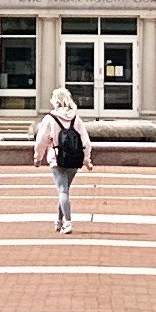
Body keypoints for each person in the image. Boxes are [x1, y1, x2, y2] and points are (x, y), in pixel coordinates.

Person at [32, 86, 95, 233]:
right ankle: (59, 221)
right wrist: (87, 159)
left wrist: (37, 157)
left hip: (57, 158)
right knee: (65, 191)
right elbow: (85, 141)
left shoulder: (50, 118)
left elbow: (41, 140)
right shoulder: (76, 118)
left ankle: (68, 222)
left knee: (62, 191)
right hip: (74, 159)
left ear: (55, 101)